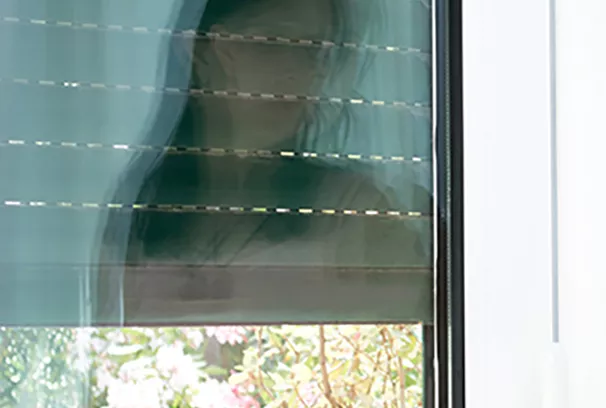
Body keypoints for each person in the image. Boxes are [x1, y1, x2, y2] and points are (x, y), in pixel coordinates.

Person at [96, 0, 431, 325]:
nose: (295, 72)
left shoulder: (356, 215)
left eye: (312, 51)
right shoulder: (139, 220)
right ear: (201, 53)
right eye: (271, 44)